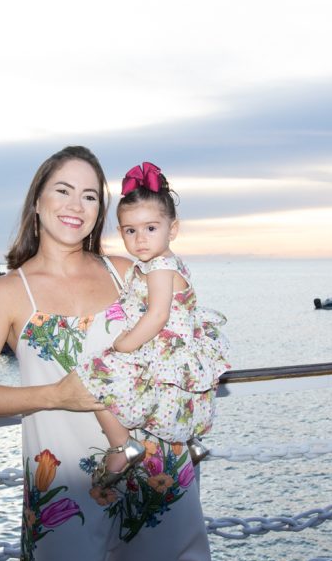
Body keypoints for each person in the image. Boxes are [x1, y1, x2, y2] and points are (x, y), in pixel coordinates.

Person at [0, 146, 213, 561]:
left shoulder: (127, 271)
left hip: (158, 474)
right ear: (38, 203)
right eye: (63, 190)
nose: (76, 204)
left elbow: (179, 332)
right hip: (69, 490)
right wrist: (54, 395)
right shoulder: (6, 293)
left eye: (90, 195)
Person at [76, 161, 230, 488]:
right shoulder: (159, 262)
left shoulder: (159, 266)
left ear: (171, 229)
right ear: (120, 232)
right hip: (172, 345)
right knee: (176, 398)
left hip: (160, 344)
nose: (140, 239)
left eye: (150, 228)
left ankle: (122, 446)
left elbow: (157, 315)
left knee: (91, 377)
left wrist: (124, 344)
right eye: (131, 231)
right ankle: (192, 441)